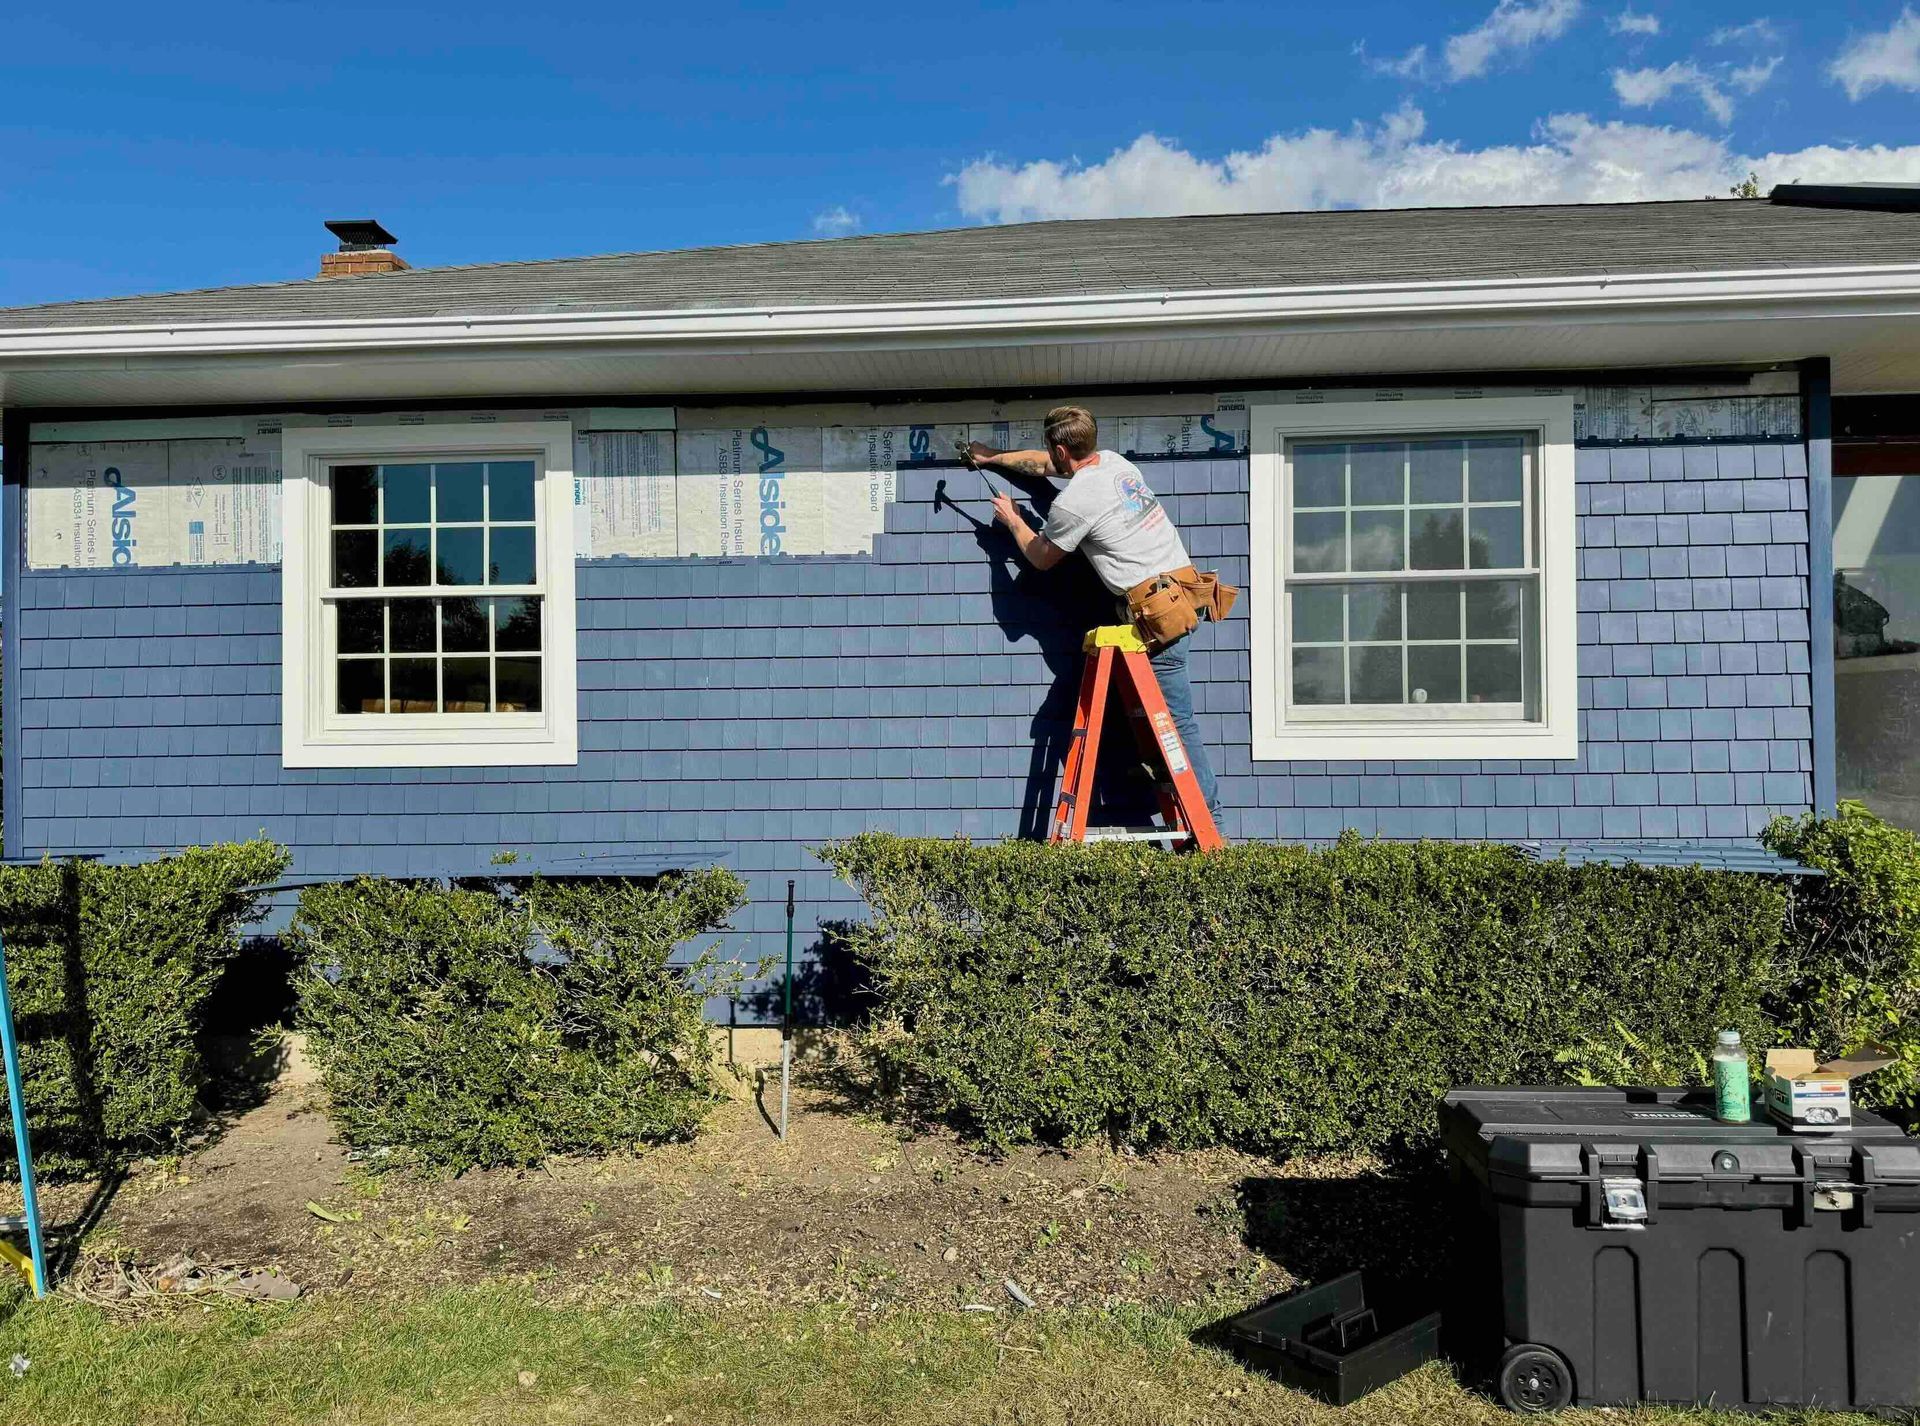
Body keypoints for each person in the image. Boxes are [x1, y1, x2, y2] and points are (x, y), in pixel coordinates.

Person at [962, 405, 1233, 814]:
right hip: (1180, 598)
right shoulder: (1115, 465)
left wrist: (1013, 521)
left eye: (1050, 451)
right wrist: (993, 459)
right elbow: (1043, 466)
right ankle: (1165, 787)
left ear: (1059, 449)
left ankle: (1208, 820)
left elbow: (1041, 557)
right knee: (1149, 715)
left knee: (1175, 724)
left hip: (1157, 617)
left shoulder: (1076, 502)